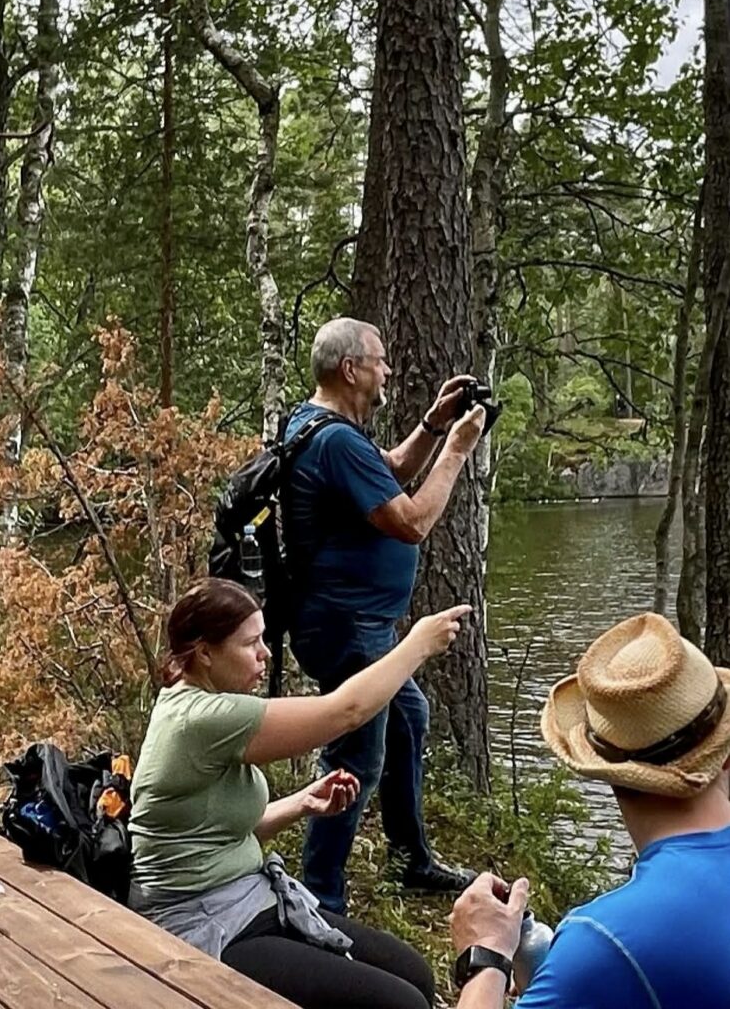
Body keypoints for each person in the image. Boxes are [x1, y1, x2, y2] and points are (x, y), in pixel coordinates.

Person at [129, 577, 472, 1009]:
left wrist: (302, 803)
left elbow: (217, 832)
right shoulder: (202, 718)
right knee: (402, 1004)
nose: (265, 653)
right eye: (250, 643)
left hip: (247, 898)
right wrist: (417, 644)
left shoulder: (198, 702)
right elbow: (346, 712)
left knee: (416, 976)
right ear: (205, 653)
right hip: (200, 923)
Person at [284, 316, 487, 912]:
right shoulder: (335, 440)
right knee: (355, 759)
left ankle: (412, 860)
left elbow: (390, 472)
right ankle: (320, 899)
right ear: (351, 370)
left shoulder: (316, 426)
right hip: (349, 628)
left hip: (352, 624)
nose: (387, 371)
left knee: (407, 720)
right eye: (379, 360)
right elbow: (414, 520)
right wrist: (457, 450)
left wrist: (432, 425)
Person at [448, 612, 730, 1008]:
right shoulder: (606, 952)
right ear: (725, 755)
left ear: (602, 769)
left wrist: (487, 955)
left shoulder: (606, 941)